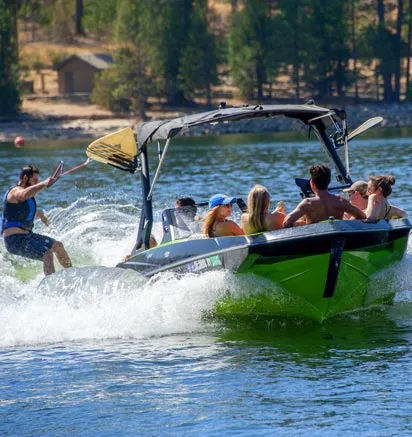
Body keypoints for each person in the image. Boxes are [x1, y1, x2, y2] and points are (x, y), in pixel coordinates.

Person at [1, 165, 72, 276]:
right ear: (25, 178)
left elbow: (26, 209)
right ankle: (51, 286)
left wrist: (40, 215)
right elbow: (24, 195)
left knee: (58, 246)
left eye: (37, 180)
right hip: (14, 240)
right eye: (34, 180)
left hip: (27, 237)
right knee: (47, 253)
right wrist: (44, 183)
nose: (36, 182)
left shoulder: (25, 197)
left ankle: (72, 274)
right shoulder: (15, 191)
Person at [283, 164, 366, 227]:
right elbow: (362, 216)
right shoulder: (340, 201)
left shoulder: (307, 203)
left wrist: (300, 225)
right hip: (337, 234)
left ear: (312, 183)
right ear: (328, 181)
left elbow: (287, 222)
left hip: (316, 238)